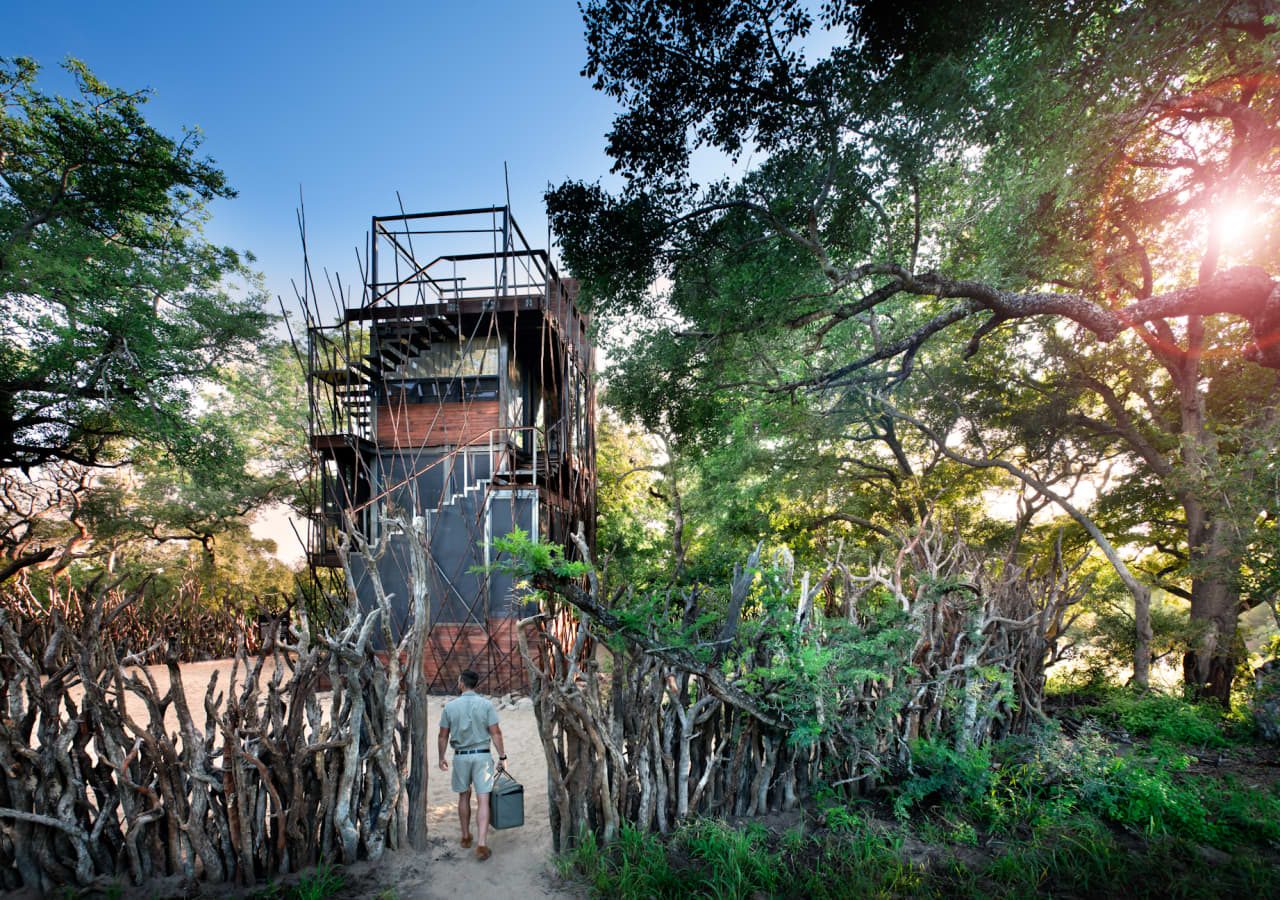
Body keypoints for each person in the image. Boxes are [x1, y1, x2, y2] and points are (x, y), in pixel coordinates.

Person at [437, 669, 507, 861]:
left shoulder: (450, 707)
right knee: (483, 799)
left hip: (460, 756)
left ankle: (466, 835)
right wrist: (502, 756)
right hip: (482, 756)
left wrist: (441, 757)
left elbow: (443, 735)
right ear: (475, 684)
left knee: (463, 796)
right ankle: (482, 844)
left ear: (461, 683)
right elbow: (496, 733)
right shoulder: (486, 705)